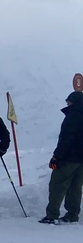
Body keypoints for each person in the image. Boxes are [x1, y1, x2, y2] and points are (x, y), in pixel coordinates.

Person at [40, 91, 83, 225]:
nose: (66, 103)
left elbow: (66, 138)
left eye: (68, 101)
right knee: (75, 187)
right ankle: (72, 214)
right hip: (81, 160)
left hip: (69, 158)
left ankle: (52, 215)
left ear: (74, 102)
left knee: (57, 185)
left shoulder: (73, 116)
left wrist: (56, 156)